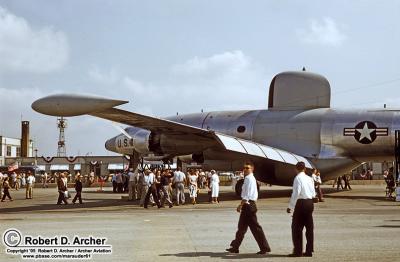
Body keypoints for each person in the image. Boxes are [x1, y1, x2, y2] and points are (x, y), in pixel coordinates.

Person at [226, 162, 271, 255]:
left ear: (252, 169)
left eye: (247, 168)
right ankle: (235, 247)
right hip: (248, 205)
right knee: (241, 228)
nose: (245, 169)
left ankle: (264, 247)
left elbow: (247, 195)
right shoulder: (248, 178)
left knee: (255, 228)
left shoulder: (249, 179)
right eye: (244, 168)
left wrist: (240, 205)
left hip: (248, 205)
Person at [287, 162, 316, 257]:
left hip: (301, 203)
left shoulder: (297, 178)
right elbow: (313, 193)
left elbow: (296, 193)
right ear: (305, 169)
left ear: (296, 169)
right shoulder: (309, 178)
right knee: (309, 228)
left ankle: (298, 251)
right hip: (310, 203)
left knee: (296, 228)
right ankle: (309, 251)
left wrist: (290, 207)